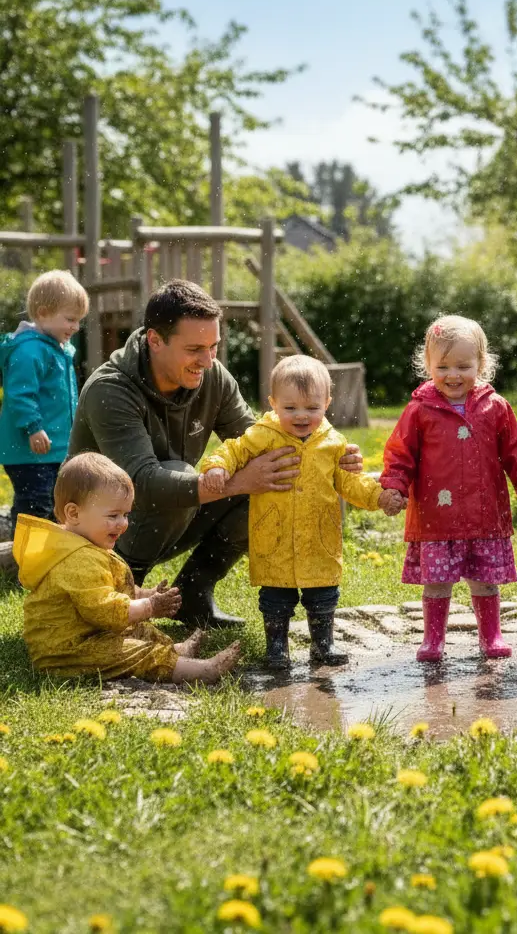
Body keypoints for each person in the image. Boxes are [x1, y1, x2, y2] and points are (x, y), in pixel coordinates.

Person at [67, 279, 363, 630]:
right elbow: (142, 483)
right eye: (195, 349)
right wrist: (234, 483)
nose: (207, 361)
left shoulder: (213, 377)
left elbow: (263, 444)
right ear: (155, 341)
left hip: (161, 519)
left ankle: (193, 594)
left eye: (214, 347)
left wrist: (325, 456)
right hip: (97, 534)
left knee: (275, 475)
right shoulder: (111, 390)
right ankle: (121, 592)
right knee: (180, 473)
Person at [201, 355, 404, 668]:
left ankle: (323, 644)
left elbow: (350, 483)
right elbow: (233, 449)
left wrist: (379, 497)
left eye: (311, 408)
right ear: (273, 403)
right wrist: (217, 466)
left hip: (317, 538)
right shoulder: (263, 435)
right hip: (276, 536)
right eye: (290, 408)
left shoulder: (333, 443)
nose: (300, 416)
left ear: (327, 402)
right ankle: (277, 647)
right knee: (275, 599)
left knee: (322, 596)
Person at [381, 315, 517, 662]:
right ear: (427, 365)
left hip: (484, 513)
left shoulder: (495, 407)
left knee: (485, 580)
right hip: (436, 519)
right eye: (442, 367)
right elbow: (400, 454)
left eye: (463, 366)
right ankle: (433, 640)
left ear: (482, 365)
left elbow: (515, 450)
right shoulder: (419, 410)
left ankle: (491, 635)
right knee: (437, 582)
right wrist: (394, 487)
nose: (452, 375)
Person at [15, 452, 241, 683]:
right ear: (73, 513)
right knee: (137, 653)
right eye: (113, 515)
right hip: (67, 651)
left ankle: (176, 652)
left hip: (87, 633)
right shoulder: (76, 560)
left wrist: (146, 594)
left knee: (138, 630)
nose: (123, 524)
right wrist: (149, 606)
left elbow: (110, 589)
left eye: (126, 514)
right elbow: (104, 610)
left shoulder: (87, 544)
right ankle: (202, 672)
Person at [0, 270, 89, 538]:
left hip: (51, 450)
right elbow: (19, 394)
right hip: (28, 448)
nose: (75, 327)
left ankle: (44, 554)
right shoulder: (30, 350)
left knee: (51, 504)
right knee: (35, 505)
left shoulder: (55, 348)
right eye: (70, 319)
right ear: (42, 313)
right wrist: (33, 427)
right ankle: (24, 558)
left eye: (79, 321)